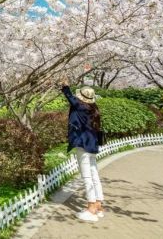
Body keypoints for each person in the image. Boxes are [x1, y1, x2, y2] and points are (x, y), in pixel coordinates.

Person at [61, 81, 104, 222]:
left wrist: (65, 85)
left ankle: (91, 207)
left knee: (87, 177)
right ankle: (99, 205)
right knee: (94, 175)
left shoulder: (80, 107)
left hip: (83, 146)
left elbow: (69, 96)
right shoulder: (93, 108)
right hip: (92, 145)